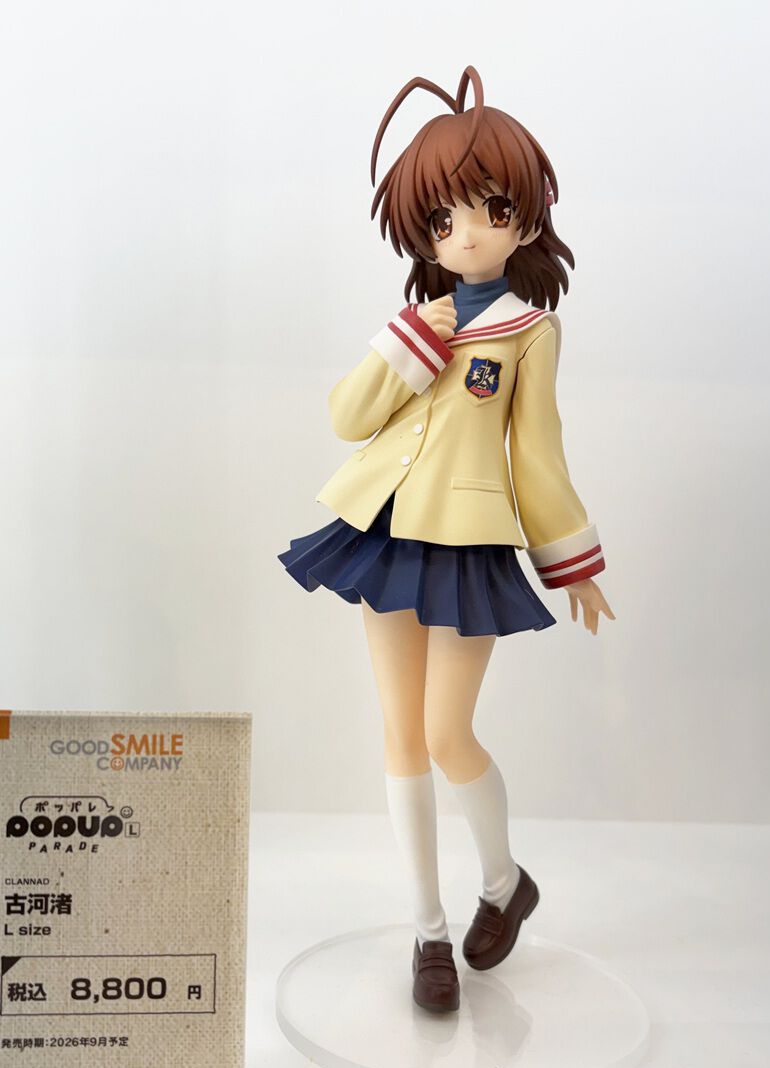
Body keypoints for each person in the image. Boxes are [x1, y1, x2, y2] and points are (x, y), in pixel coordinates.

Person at [279, 67, 614, 1013]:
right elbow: (348, 418)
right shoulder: (416, 324)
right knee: (398, 734)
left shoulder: (529, 332)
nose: (466, 234)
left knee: (445, 732)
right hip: (383, 531)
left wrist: (573, 564)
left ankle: (504, 883)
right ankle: (427, 931)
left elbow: (537, 457)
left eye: (491, 210)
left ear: (525, 218)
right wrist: (405, 344)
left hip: (467, 544)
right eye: (442, 219)